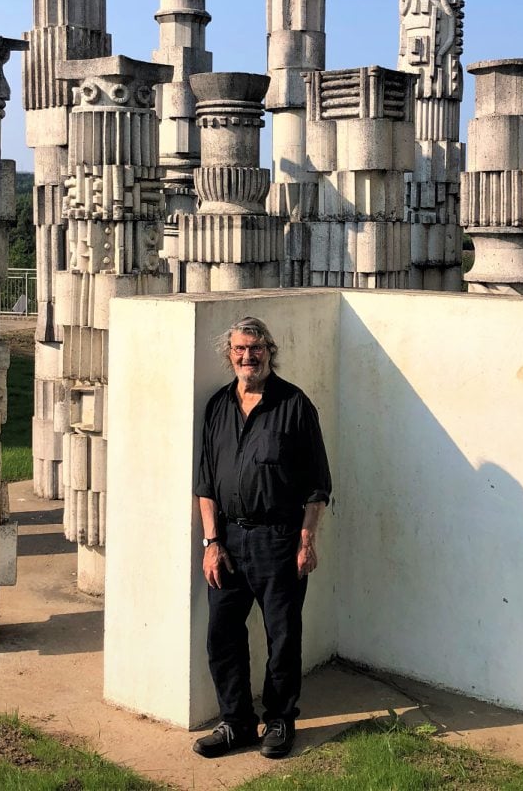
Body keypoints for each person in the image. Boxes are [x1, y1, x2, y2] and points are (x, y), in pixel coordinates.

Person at [192, 316, 331, 760]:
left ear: (269, 350)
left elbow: (317, 484)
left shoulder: (295, 405)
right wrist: (210, 543)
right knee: (222, 635)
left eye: (256, 349)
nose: (247, 357)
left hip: (279, 538)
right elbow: (206, 484)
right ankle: (235, 724)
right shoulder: (217, 406)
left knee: (283, 637)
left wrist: (306, 540)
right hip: (228, 541)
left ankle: (279, 720)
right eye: (239, 350)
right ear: (229, 354)